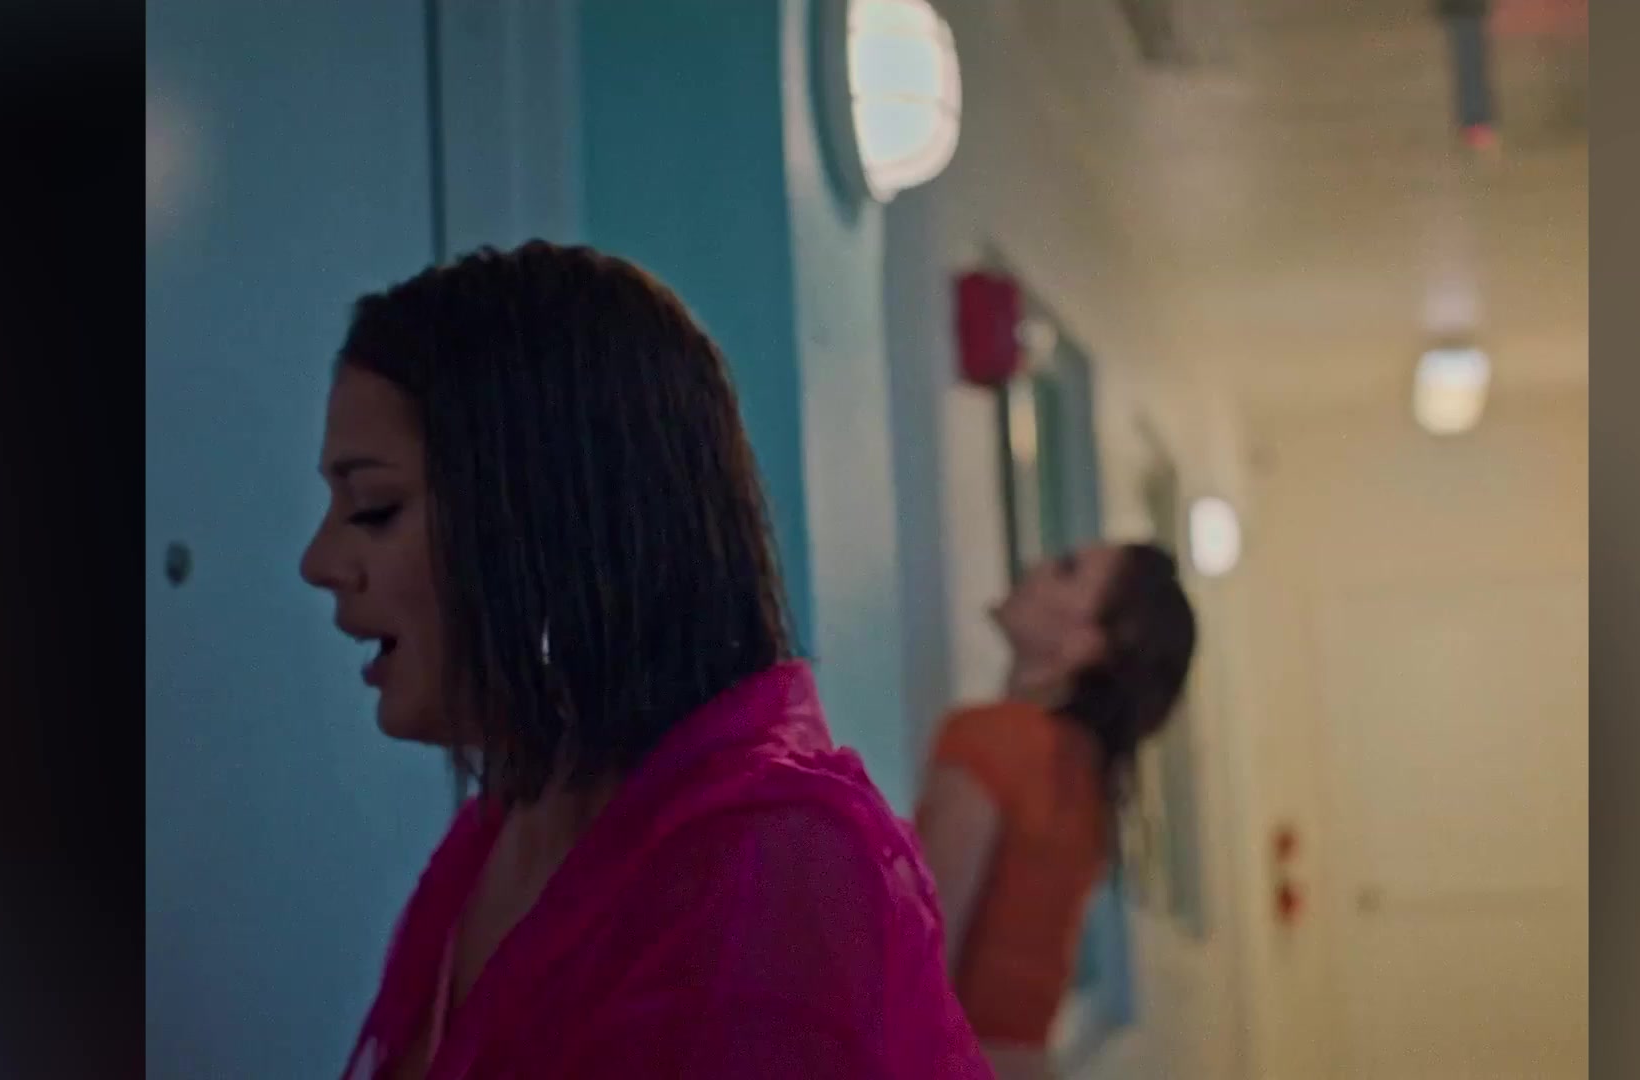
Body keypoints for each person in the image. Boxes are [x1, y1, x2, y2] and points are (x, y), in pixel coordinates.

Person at [300, 242, 991, 1078]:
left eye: (374, 508)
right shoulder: (496, 835)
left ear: (548, 520)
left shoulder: (772, 871)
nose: (318, 562)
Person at [915, 544, 1197, 1079]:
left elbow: (920, 968)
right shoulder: (1084, 776)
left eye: (1067, 569)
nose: (1039, 564)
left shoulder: (987, 740)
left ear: (1086, 643)